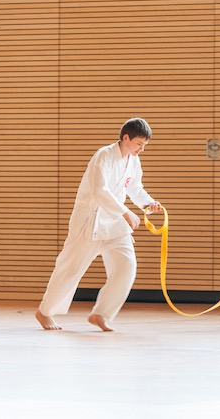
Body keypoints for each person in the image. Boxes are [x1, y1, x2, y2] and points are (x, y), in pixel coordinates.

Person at [35, 117, 162, 331]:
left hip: (114, 224)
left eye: (144, 145)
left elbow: (135, 188)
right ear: (126, 138)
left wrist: (148, 203)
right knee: (70, 268)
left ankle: (101, 313)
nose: (141, 149)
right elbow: (99, 190)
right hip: (89, 221)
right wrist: (125, 212)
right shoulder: (103, 156)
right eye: (139, 144)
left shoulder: (133, 160)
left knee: (126, 266)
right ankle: (45, 312)